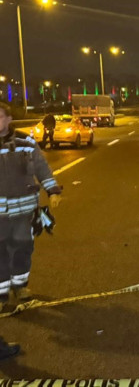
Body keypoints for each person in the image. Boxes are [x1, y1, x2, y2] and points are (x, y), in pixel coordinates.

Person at [0, 103, 62, 308]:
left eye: (0, 117)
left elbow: (41, 167)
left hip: (24, 210)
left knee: (23, 248)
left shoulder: (25, 142)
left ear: (9, 119)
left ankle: (20, 286)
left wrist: (52, 190)